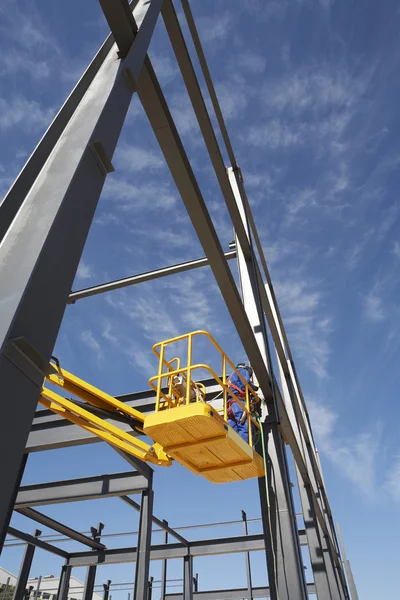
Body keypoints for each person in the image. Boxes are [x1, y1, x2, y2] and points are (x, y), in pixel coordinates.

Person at [227, 363, 258, 444]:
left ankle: (232, 447)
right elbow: (246, 383)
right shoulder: (243, 371)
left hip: (230, 404)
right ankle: (244, 448)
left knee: (232, 428)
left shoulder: (231, 375)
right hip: (238, 403)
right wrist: (255, 388)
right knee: (244, 426)